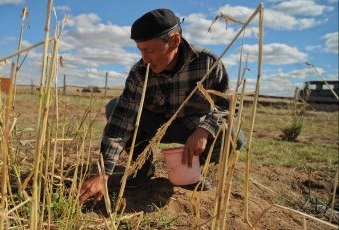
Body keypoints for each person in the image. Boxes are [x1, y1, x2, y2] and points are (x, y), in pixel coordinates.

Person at [79, 8, 246, 204]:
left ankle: (189, 170)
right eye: (140, 50)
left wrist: (204, 130)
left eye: (149, 50)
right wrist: (104, 172)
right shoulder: (140, 72)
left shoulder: (208, 63)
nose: (144, 58)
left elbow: (227, 105)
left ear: (175, 41)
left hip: (191, 126)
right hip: (154, 124)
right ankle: (143, 168)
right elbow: (121, 121)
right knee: (114, 107)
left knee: (234, 137)